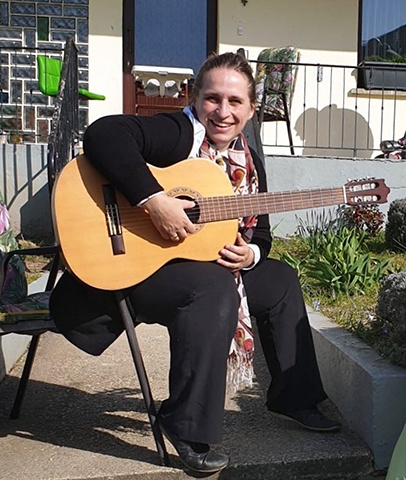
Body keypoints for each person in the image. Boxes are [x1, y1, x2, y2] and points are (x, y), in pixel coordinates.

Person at [49, 51, 340, 474]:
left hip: (181, 271)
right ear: (194, 97)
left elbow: (262, 236)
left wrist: (252, 253)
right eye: (212, 99)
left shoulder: (250, 165)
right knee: (212, 286)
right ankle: (185, 423)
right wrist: (153, 201)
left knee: (279, 280)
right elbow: (104, 135)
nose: (223, 112)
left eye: (235, 102)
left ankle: (295, 396)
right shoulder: (178, 133)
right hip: (132, 273)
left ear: (251, 109)